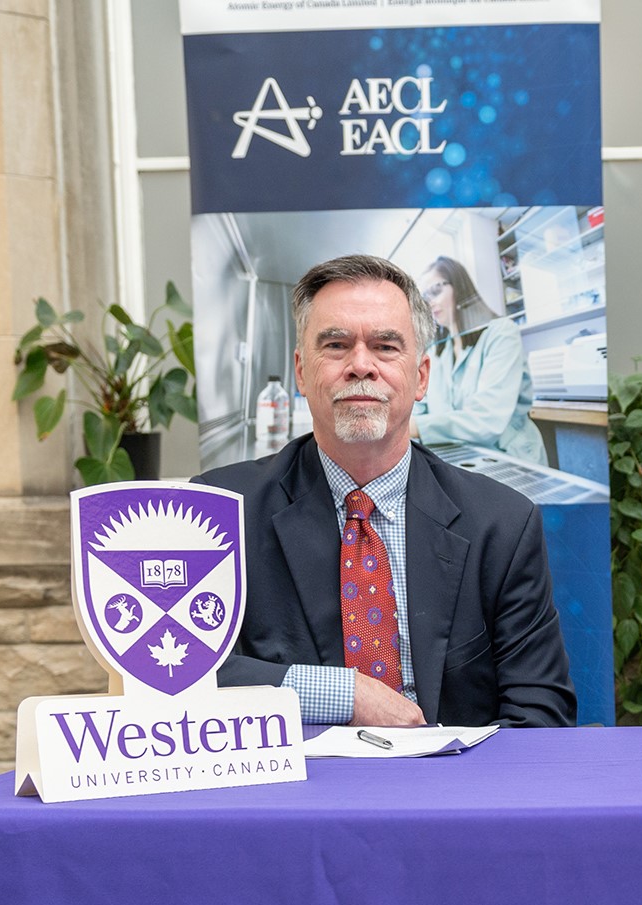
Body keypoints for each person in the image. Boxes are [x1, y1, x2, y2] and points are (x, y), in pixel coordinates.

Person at [198, 254, 574, 728]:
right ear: (300, 371)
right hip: (296, 792)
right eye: (336, 345)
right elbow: (180, 673)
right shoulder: (220, 511)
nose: (361, 365)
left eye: (385, 346)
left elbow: (540, 715)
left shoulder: (502, 524)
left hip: (451, 792)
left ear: (420, 378)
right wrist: (340, 695)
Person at [409, 255, 548, 465]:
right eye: (425, 296)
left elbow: (487, 419)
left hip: (509, 458)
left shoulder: (501, 333)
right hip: (464, 456)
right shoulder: (439, 351)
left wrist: (415, 426)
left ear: (460, 287)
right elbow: (422, 405)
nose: (430, 302)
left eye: (436, 290)